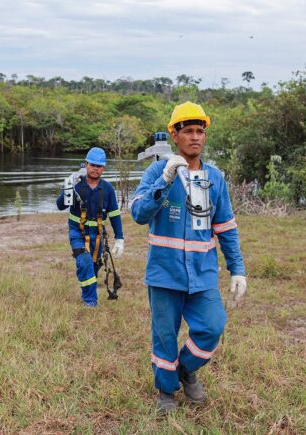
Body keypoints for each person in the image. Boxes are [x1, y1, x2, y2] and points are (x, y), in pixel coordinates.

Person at [130, 102, 247, 414]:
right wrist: (164, 180)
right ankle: (166, 393)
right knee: (165, 335)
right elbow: (139, 214)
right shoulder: (157, 171)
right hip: (164, 273)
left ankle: (185, 369)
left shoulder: (215, 178)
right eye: (188, 131)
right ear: (174, 134)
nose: (195, 137)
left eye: (200, 131)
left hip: (203, 273)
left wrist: (237, 269)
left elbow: (226, 227)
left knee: (212, 326)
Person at [56, 147, 124, 307]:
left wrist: (119, 238)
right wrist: (68, 185)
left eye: (99, 166)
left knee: (93, 267)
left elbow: (115, 215)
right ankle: (90, 301)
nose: (95, 169)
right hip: (77, 233)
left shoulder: (108, 189)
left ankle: (86, 289)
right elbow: (60, 206)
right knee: (84, 262)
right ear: (86, 165)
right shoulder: (76, 186)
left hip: (99, 236)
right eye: (92, 165)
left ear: (103, 168)